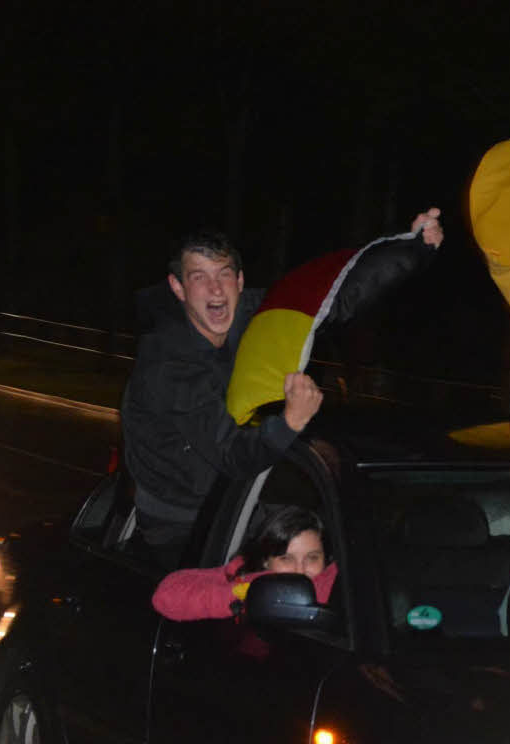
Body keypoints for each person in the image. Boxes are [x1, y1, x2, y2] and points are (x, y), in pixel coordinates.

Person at [121, 210, 444, 560]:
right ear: (178, 288)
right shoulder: (167, 364)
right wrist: (290, 421)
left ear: (240, 282)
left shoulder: (250, 315)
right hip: (180, 527)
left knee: (334, 549)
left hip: (236, 504)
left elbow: (334, 296)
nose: (215, 288)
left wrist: (411, 248)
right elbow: (233, 455)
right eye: (199, 277)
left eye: (224, 275)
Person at [152, 503, 337, 621]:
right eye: (286, 558)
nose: (300, 570)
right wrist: (247, 592)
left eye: (312, 558)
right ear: (266, 561)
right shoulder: (242, 574)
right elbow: (166, 595)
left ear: (326, 559)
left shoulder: (333, 586)